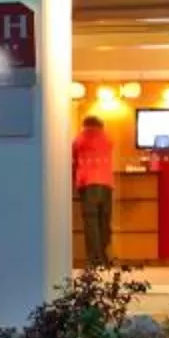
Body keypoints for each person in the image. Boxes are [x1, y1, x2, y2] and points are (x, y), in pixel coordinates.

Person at [72, 113, 116, 268]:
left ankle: (94, 259)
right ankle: (104, 257)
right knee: (104, 221)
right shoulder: (108, 139)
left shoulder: (79, 139)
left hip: (88, 183)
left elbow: (73, 159)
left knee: (91, 222)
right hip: (106, 184)